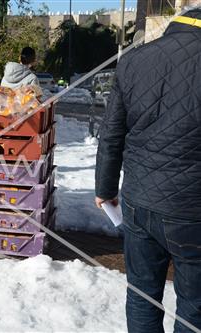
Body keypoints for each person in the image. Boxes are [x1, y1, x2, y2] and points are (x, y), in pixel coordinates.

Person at [95, 7, 201, 332]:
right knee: (194, 306)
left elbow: (112, 132)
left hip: (139, 201)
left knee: (142, 296)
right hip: (192, 210)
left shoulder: (134, 60)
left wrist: (104, 189)